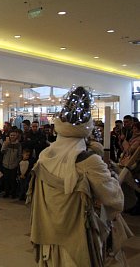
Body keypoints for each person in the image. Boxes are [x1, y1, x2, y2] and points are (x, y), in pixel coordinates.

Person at [28, 86, 125, 266]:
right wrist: (111, 175)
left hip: (49, 236)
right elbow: (114, 199)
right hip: (76, 239)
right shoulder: (88, 161)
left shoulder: (44, 157)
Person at [1, 129, 22, 198]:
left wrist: (16, 163)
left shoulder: (18, 145)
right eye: (11, 135)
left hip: (14, 165)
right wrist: (6, 145)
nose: (12, 136)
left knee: (13, 180)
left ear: (16, 136)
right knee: (6, 179)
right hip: (5, 164)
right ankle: (6, 192)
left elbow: (19, 155)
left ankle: (13, 193)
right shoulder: (5, 143)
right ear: (9, 136)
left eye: (14, 135)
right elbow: (2, 152)